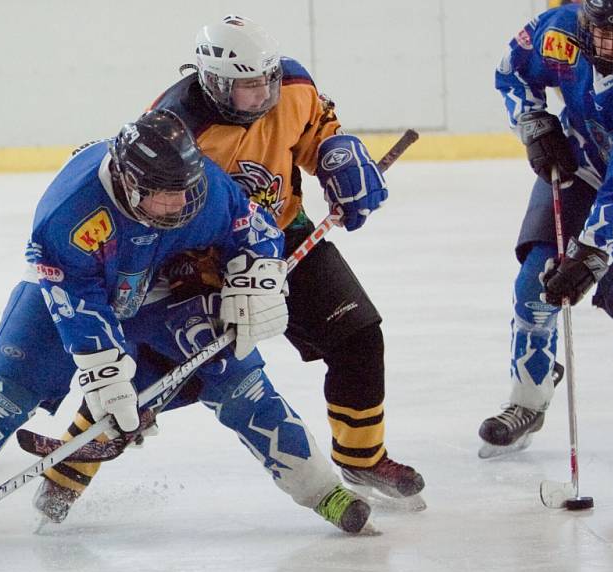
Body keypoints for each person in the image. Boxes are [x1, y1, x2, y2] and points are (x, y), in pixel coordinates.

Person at [0, 110, 373, 545]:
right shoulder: (68, 215)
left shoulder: (197, 185)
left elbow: (253, 230)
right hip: (73, 298)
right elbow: (76, 301)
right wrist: (105, 372)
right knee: (4, 393)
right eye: (165, 197)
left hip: (164, 292)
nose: (181, 205)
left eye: (186, 191)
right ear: (127, 182)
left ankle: (322, 491)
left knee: (242, 384)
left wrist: (257, 275)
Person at [36, 15, 425, 519]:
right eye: (246, 88)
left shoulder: (293, 84)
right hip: (202, 261)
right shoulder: (176, 127)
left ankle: (361, 457)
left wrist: (337, 152)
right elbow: (154, 214)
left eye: (267, 80)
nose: (262, 95)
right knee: (172, 371)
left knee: (358, 335)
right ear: (214, 82)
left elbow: (317, 129)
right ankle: (68, 469)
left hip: (284, 234)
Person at [478, 0, 613, 458]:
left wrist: (591, 254)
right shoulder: (558, 31)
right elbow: (513, 70)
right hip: (579, 171)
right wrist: (535, 121)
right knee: (534, 288)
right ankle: (528, 400)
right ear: (585, 23)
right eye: (605, 34)